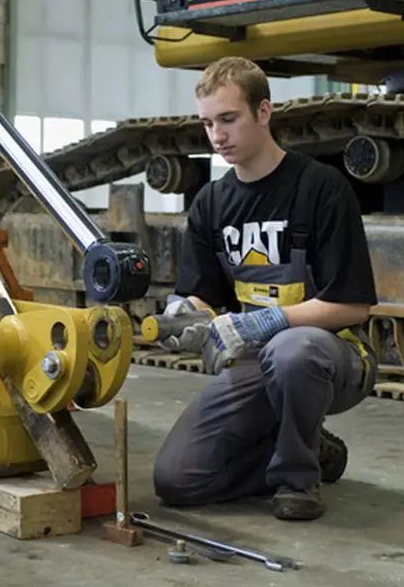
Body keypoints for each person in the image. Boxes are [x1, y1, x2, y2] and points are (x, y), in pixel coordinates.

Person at [150, 56, 378, 521]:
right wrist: (183, 317)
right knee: (178, 480)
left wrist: (265, 320)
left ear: (263, 112)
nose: (217, 136)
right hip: (258, 361)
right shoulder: (211, 203)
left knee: (292, 350)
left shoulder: (321, 189)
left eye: (229, 119)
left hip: (333, 355)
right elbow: (200, 294)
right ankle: (308, 448)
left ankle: (298, 480)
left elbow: (353, 306)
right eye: (208, 123)